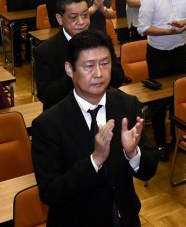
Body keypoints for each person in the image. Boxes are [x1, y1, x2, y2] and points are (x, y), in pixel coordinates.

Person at [31, 30, 157, 227]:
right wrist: (94, 160)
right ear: (69, 69)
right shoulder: (48, 124)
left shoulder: (127, 105)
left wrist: (133, 154)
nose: (99, 73)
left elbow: (149, 170)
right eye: (89, 66)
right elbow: (50, 193)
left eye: (105, 63)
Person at [137, 0, 186, 160]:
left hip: (180, 51)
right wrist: (168, 31)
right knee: (157, 102)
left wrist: (185, 23)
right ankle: (160, 143)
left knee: (178, 97)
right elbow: (143, 28)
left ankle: (177, 138)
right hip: (158, 54)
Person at [34, 0, 124, 110]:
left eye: (85, 15)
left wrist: (103, 65)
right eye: (73, 17)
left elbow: (118, 79)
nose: (81, 22)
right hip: (64, 113)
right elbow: (46, 95)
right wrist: (76, 73)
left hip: (100, 109)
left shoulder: (101, 41)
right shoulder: (45, 51)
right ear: (60, 19)